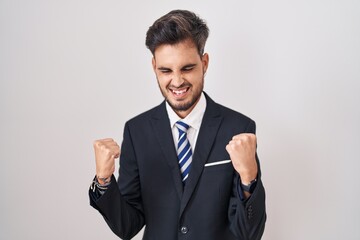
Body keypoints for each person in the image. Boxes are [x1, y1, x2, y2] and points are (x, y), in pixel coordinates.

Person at [89, 9, 266, 240]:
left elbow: (248, 234)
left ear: (204, 63)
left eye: (187, 68)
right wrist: (103, 181)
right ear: (154, 67)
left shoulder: (238, 128)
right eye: (166, 70)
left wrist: (249, 177)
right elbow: (127, 227)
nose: (177, 81)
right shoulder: (137, 131)